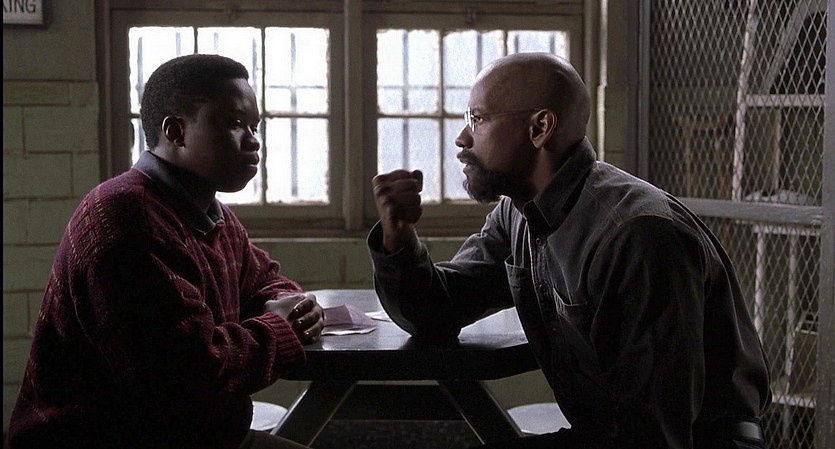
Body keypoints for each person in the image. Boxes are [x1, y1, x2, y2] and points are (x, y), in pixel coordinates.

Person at [368, 52, 771, 448]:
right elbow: (437, 310)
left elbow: (652, 434)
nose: (462, 138)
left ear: (539, 128)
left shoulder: (635, 235)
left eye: (478, 119)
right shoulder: (518, 213)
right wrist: (397, 239)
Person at [7, 54, 324, 449]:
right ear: (176, 132)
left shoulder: (209, 212)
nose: (254, 140)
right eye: (234, 123)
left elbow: (263, 281)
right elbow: (192, 374)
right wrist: (280, 326)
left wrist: (292, 306)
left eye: (254, 126)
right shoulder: (127, 217)